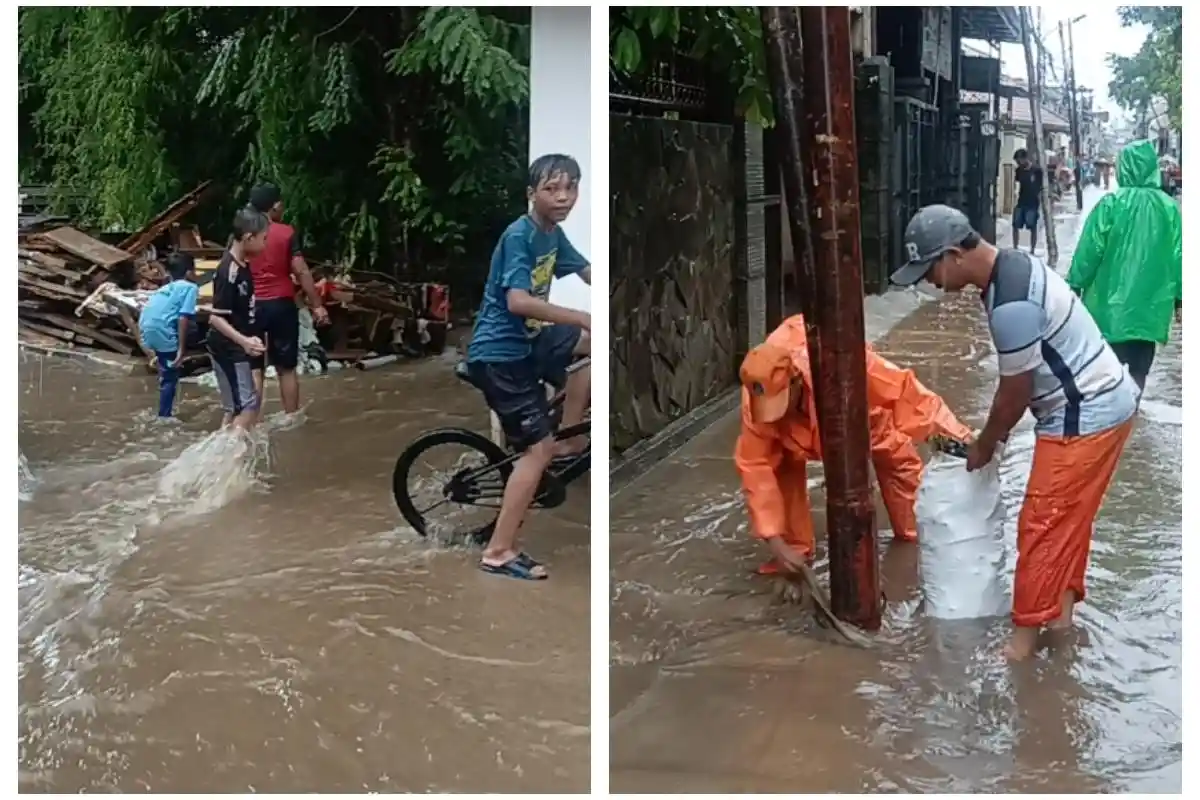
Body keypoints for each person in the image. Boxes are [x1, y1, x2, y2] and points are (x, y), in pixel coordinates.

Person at [891, 204, 1139, 661]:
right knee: (1067, 523)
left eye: (930, 269)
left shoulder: (1012, 302)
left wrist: (987, 443)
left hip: (1086, 412)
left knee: (1041, 525)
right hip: (1108, 400)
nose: (930, 281)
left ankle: (1021, 649)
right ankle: (1060, 627)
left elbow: (1015, 392)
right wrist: (990, 440)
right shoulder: (1010, 271)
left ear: (953, 255)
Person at [734, 315, 973, 576]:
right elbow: (755, 469)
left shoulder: (842, 365)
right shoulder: (757, 402)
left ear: (796, 382)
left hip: (856, 411)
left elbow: (906, 393)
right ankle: (794, 551)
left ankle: (920, 535)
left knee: (897, 461)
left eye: (781, 404)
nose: (776, 415)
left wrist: (958, 439)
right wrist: (776, 543)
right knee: (782, 472)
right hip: (795, 435)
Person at [464, 154, 592, 580]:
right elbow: (517, 302)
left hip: (531, 342)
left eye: (570, 188)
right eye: (552, 189)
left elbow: (591, 271)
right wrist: (579, 315)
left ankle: (570, 439)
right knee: (536, 451)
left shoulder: (552, 234)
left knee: (592, 347)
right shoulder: (518, 236)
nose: (563, 197)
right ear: (531, 194)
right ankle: (498, 552)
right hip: (501, 354)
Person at [1068, 139, 1183, 391]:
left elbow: (1089, 252)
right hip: (1150, 312)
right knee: (1139, 373)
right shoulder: (1170, 209)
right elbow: (1180, 258)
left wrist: (1073, 287)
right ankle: (1133, 418)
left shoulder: (1110, 205)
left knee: (1103, 376)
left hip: (1107, 310)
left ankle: (1111, 424)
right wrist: (1180, 300)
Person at [246, 183, 329, 418]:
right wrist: (317, 305)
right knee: (287, 368)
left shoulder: (243, 233)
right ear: (275, 205)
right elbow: (301, 271)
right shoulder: (286, 233)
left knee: (255, 368)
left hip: (251, 306)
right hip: (281, 304)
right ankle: (291, 417)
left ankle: (250, 421)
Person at [208, 207, 269, 430]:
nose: (265, 244)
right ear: (248, 237)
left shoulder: (242, 265)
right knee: (249, 407)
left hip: (235, 345)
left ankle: (221, 455)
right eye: (264, 239)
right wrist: (244, 341)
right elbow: (215, 318)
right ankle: (233, 461)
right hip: (229, 346)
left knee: (235, 407)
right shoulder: (228, 271)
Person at [139, 252, 199, 418]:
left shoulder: (165, 288)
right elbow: (183, 317)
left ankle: (166, 407)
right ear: (189, 272)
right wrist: (181, 349)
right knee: (171, 375)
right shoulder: (191, 287)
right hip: (163, 330)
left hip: (146, 327)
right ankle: (164, 416)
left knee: (166, 370)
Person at [1012, 149, 1044, 253]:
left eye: (1018, 161)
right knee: (1015, 224)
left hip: (1033, 203)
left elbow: (1042, 187)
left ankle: (1032, 249)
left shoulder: (1037, 170)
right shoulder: (1018, 170)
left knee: (1032, 226)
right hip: (1021, 201)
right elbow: (1016, 185)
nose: (1018, 163)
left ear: (1024, 158)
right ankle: (1015, 247)